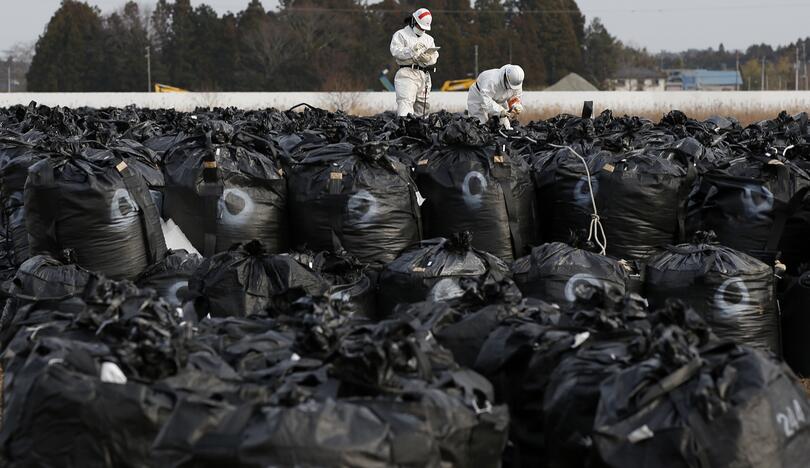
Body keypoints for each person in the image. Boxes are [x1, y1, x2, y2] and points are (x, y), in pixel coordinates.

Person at [389, 8, 439, 117]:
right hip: (407, 73)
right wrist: (411, 51)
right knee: (406, 103)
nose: (421, 29)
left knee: (422, 108)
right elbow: (395, 51)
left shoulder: (428, 39)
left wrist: (428, 59)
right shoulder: (401, 35)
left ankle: (419, 132)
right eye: (420, 26)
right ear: (413, 21)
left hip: (423, 75)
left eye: (423, 28)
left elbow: (434, 56)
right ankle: (405, 129)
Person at [467, 64, 525, 129]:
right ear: (506, 77)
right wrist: (500, 111)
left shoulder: (516, 82)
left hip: (499, 100)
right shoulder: (491, 80)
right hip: (478, 96)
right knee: (479, 124)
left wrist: (515, 107)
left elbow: (515, 97)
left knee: (505, 127)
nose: (510, 88)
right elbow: (486, 102)